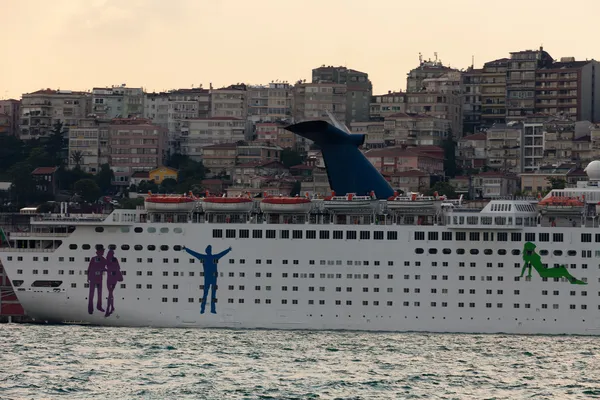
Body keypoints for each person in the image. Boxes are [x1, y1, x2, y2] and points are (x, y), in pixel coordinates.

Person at [183, 245, 232, 314]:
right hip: (213, 278)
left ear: (206, 251)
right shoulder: (214, 257)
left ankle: (203, 309)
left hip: (207, 278)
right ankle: (212, 309)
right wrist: (228, 250)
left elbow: (194, 254)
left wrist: (186, 249)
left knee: (205, 294)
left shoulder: (204, 257)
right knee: (213, 295)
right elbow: (222, 254)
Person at [87, 246, 107, 314]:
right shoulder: (93, 259)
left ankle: (98, 306)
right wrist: (88, 277)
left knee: (99, 293)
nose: (103, 252)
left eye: (103, 251)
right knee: (92, 294)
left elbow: (104, 267)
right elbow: (89, 268)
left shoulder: (103, 259)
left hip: (98, 278)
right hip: (93, 278)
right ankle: (90, 308)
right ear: (98, 252)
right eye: (102, 251)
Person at [105, 249, 123, 317]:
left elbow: (118, 267)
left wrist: (110, 269)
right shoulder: (111, 259)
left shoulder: (112, 259)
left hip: (112, 278)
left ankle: (108, 309)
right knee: (110, 293)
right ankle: (111, 307)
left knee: (110, 293)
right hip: (111, 278)